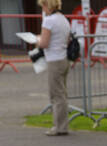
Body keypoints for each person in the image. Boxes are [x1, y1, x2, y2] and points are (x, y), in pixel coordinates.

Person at [36, 0, 72, 135]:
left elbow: (44, 43)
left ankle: (60, 127)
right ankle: (61, 125)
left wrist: (36, 40)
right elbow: (67, 40)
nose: (43, 9)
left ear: (47, 5)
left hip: (54, 59)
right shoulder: (64, 19)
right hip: (63, 58)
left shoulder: (49, 21)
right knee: (62, 93)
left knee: (56, 95)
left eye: (43, 6)